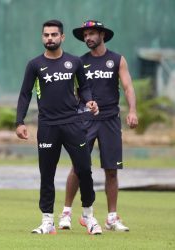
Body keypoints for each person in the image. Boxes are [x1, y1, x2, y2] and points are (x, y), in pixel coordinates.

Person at [16, 19, 102, 235]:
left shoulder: (74, 62)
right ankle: (47, 221)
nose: (50, 38)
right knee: (47, 174)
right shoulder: (34, 64)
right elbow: (25, 94)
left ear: (62, 37)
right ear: (42, 37)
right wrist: (19, 121)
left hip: (73, 124)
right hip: (47, 126)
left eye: (54, 35)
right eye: (46, 35)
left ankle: (88, 216)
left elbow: (85, 88)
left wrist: (90, 101)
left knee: (84, 170)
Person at [58, 20, 138, 232]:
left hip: (110, 120)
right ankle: (66, 213)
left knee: (111, 170)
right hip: (85, 120)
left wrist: (132, 110)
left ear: (102, 35)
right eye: (85, 35)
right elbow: (73, 93)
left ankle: (112, 218)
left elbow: (128, 87)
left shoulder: (117, 60)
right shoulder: (78, 62)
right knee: (78, 166)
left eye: (92, 34)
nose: (88, 38)